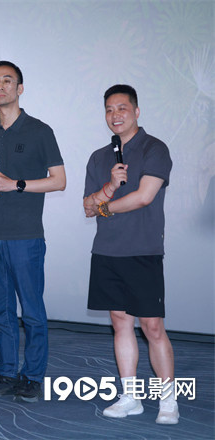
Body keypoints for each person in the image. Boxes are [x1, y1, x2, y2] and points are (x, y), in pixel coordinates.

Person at [0, 61, 66, 402]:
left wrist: (16, 184)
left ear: (20, 88)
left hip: (25, 235)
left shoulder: (40, 131)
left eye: (7, 81)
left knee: (32, 310)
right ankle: (7, 373)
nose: (0, 86)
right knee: (1, 310)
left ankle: (33, 376)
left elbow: (59, 180)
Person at [83, 84, 178, 424]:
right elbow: (87, 206)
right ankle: (130, 397)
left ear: (136, 111)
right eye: (109, 109)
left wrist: (104, 206)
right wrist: (109, 186)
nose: (115, 115)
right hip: (107, 251)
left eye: (122, 108)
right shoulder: (99, 157)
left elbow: (144, 196)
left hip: (143, 250)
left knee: (152, 327)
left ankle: (168, 400)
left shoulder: (155, 148)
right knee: (120, 323)